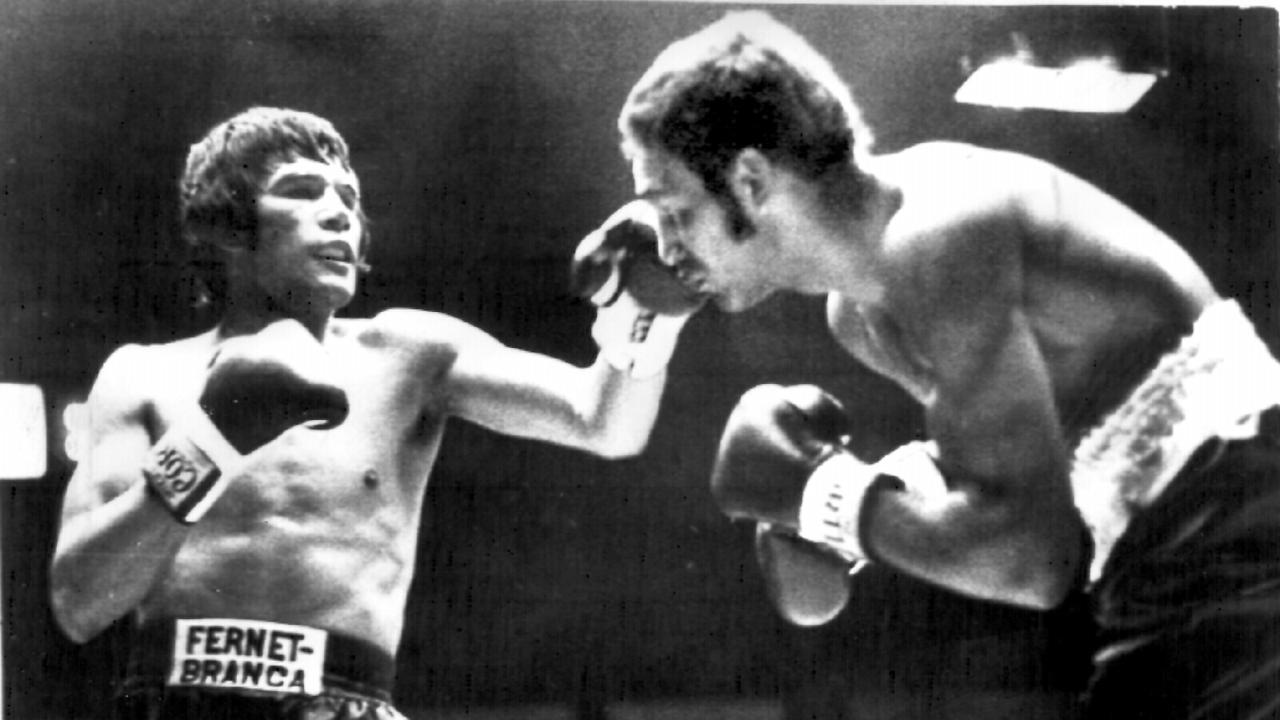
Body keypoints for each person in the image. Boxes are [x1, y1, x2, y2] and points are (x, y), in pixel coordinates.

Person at [616, 11, 1280, 719]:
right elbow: (1012, 472)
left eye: (673, 210)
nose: (669, 246)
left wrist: (830, 495)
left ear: (749, 180)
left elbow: (1029, 560)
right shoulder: (859, 314)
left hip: (1247, 543)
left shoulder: (940, 234)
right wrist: (880, 490)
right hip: (1173, 573)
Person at [49, 106, 703, 719]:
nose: (339, 214)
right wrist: (209, 445)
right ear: (230, 223)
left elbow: (602, 422)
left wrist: (644, 317)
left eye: (350, 200)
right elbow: (79, 601)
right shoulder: (143, 372)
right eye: (305, 190)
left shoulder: (407, 355)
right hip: (174, 698)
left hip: (346, 698)